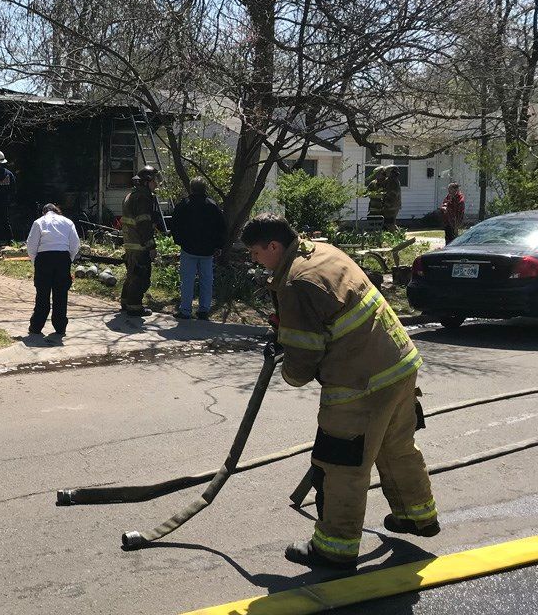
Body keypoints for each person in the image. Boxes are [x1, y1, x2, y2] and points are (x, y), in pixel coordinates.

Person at [242, 214, 438, 571]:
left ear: (273, 246)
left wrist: (289, 367)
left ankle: (335, 547)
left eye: (257, 253)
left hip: (359, 383)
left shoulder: (296, 283)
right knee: (397, 447)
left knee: (341, 465)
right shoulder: (321, 251)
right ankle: (417, 516)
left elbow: (303, 357)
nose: (256, 260)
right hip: (400, 363)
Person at [170, 177, 227, 320]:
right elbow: (221, 228)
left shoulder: (184, 205)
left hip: (188, 249)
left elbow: (175, 225)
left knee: (187, 281)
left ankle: (185, 310)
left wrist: (179, 241)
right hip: (207, 251)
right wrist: (219, 246)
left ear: (191, 189)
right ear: (205, 189)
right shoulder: (212, 206)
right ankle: (203, 310)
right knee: (206, 281)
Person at [26, 203, 80, 339]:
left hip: (44, 259)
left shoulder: (39, 222)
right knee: (61, 294)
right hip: (63, 258)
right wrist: (69, 259)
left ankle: (36, 326)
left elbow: (31, 246)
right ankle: (60, 327)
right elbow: (75, 244)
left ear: (44, 212)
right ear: (57, 211)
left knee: (42, 294)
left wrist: (36, 262)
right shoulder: (68, 222)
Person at [120, 165, 162, 316]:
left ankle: (125, 301)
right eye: (154, 180)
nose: (156, 184)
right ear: (146, 182)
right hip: (139, 244)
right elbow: (144, 224)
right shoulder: (143, 197)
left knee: (132, 274)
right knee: (141, 276)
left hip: (130, 243)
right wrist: (151, 246)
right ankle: (134, 307)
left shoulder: (131, 194)